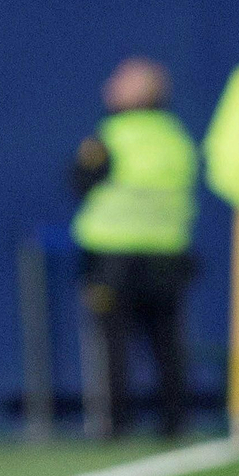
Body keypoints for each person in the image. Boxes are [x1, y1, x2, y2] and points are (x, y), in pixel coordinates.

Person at [71, 57, 198, 440]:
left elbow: (79, 181)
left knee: (112, 345)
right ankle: (174, 421)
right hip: (167, 252)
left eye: (120, 80)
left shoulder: (109, 138)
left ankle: (115, 424)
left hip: (114, 255)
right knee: (167, 342)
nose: (109, 86)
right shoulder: (176, 137)